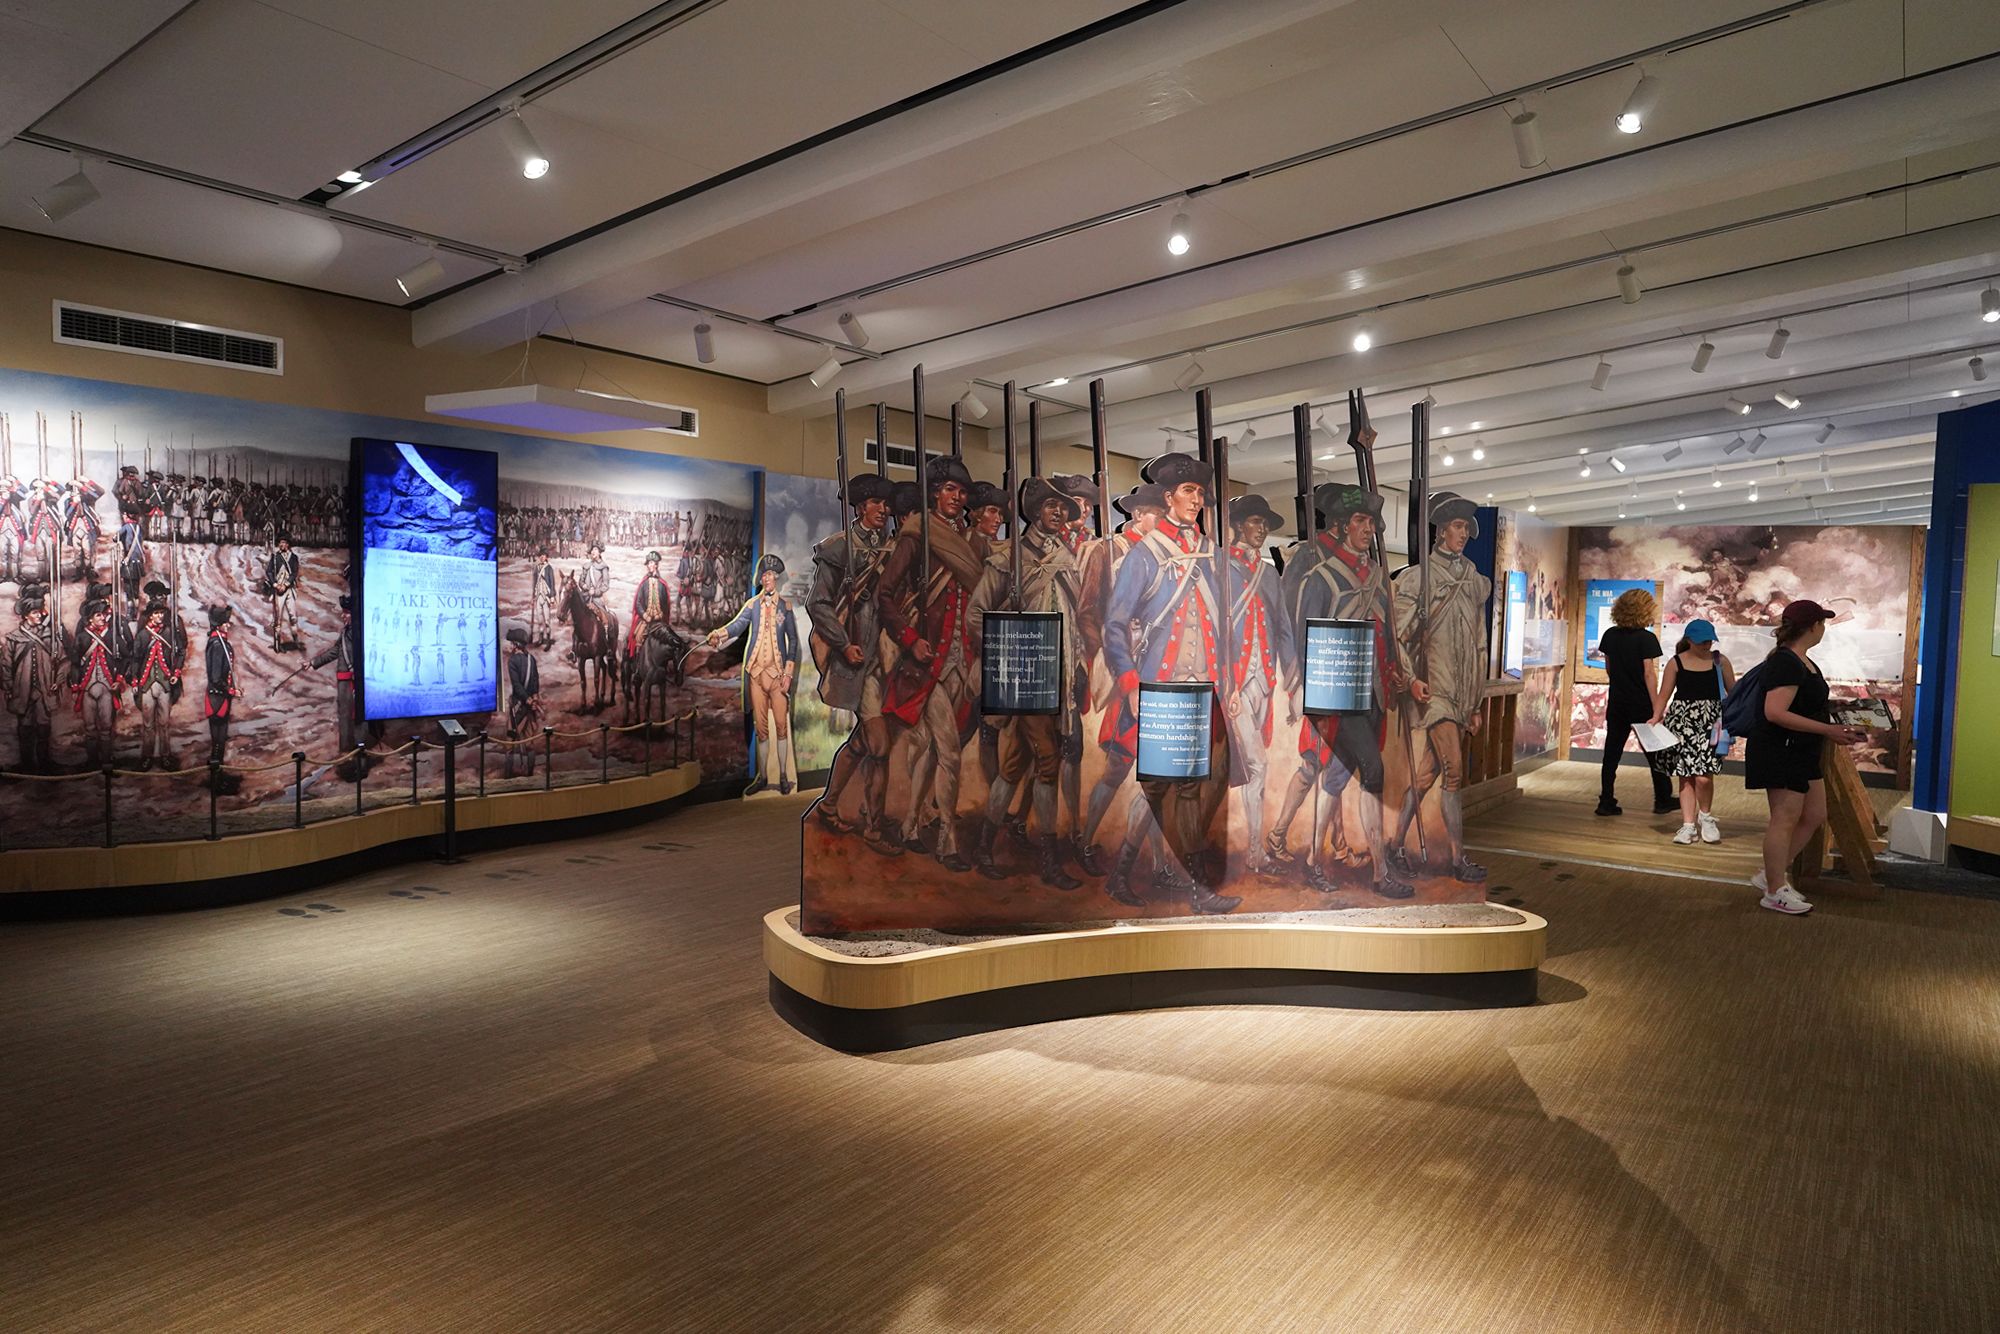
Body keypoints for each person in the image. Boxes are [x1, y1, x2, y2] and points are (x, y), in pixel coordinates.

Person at [1390, 492, 1491, 883]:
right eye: (1457, 526)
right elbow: (1398, 637)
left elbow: (1479, 643)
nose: (1462, 534)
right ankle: (1456, 860)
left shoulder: (1474, 581)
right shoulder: (1419, 578)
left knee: (1425, 776)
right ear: (1440, 530)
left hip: (1461, 696)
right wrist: (1411, 679)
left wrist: (1475, 703)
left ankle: (1394, 845)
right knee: (1453, 772)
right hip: (1436, 693)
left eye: (1466, 528)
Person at [1746, 601, 1866, 915]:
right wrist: (1827, 730)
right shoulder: (1786, 662)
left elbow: (1805, 706)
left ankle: (1771, 874)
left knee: (1813, 814)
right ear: (1813, 626)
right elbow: (1775, 712)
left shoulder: (1802, 661)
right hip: (1781, 748)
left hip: (1801, 749)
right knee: (1784, 818)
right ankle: (1775, 889)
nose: (1823, 629)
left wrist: (1840, 723)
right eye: (1822, 623)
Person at [711, 553, 801, 796]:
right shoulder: (752, 606)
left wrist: (788, 674)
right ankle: (763, 777)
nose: (767, 579)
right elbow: (737, 626)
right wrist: (719, 634)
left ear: (776, 578)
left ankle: (783, 776)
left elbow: (792, 640)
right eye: (764, 575)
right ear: (761, 579)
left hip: (777, 676)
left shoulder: (785, 607)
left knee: (780, 727)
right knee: (761, 728)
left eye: (771, 575)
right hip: (755, 674)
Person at [1648, 618, 1735, 845]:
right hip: (1682, 724)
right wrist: (1656, 717)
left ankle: (1705, 817)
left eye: (1709, 640)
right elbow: (1664, 694)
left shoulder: (1720, 661)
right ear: (1689, 640)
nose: (1707, 645)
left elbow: (1733, 692)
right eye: (1701, 641)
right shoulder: (1676, 662)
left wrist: (1737, 718)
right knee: (1685, 776)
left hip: (1711, 725)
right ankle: (1688, 825)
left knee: (1704, 777)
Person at [1594, 587, 1675, 817]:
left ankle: (1606, 801)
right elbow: (1649, 673)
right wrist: (1656, 706)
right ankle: (1662, 799)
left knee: (1612, 754)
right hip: (1640, 703)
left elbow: (1609, 668)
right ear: (1644, 609)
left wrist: (1621, 684)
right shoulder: (1646, 638)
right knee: (1655, 752)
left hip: (1618, 702)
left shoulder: (1610, 635)